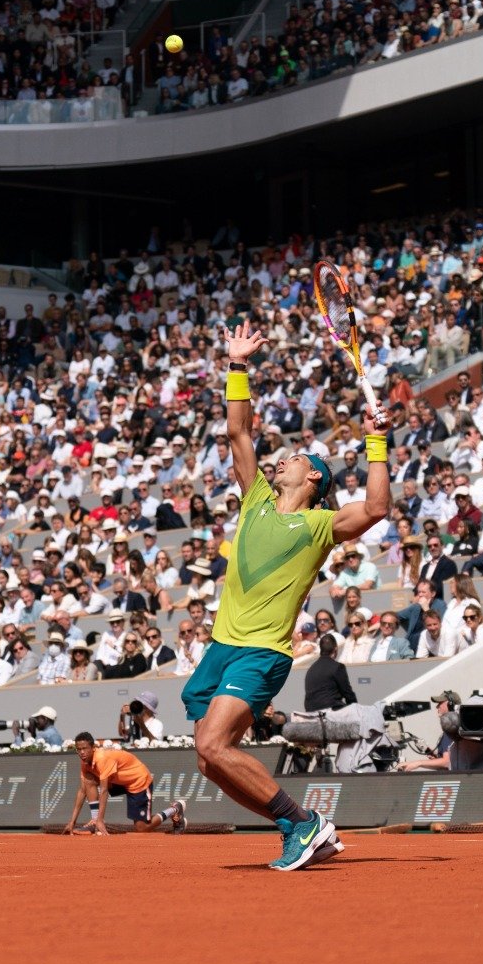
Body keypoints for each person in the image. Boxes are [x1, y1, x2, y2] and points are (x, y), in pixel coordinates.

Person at [181, 319, 389, 871]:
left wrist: (376, 441)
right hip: (221, 648)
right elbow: (238, 432)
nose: (282, 458)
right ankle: (296, 827)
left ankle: (303, 822)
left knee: (211, 747)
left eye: (296, 456)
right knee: (209, 761)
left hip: (260, 652)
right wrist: (237, 365)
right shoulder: (255, 500)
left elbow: (376, 509)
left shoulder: (321, 524)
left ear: (315, 476)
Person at [66, 733, 186, 835]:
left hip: (139, 781)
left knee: (141, 828)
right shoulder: (85, 763)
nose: (81, 752)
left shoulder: (102, 758)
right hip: (120, 781)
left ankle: (174, 809)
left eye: (84, 748)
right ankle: (93, 820)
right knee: (88, 780)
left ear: (93, 747)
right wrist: (72, 821)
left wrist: (100, 820)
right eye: (79, 749)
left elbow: (104, 791)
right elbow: (82, 791)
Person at [398, 693, 483, 772]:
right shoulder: (453, 728)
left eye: (440, 703)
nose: (437, 707)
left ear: (451, 705)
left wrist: (418, 763)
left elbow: (446, 762)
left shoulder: (458, 727)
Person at [304, 632, 357, 711]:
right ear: (335, 649)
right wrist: (356, 709)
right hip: (332, 712)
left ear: (321, 650)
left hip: (311, 713)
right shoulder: (338, 667)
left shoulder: (311, 669)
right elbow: (348, 694)